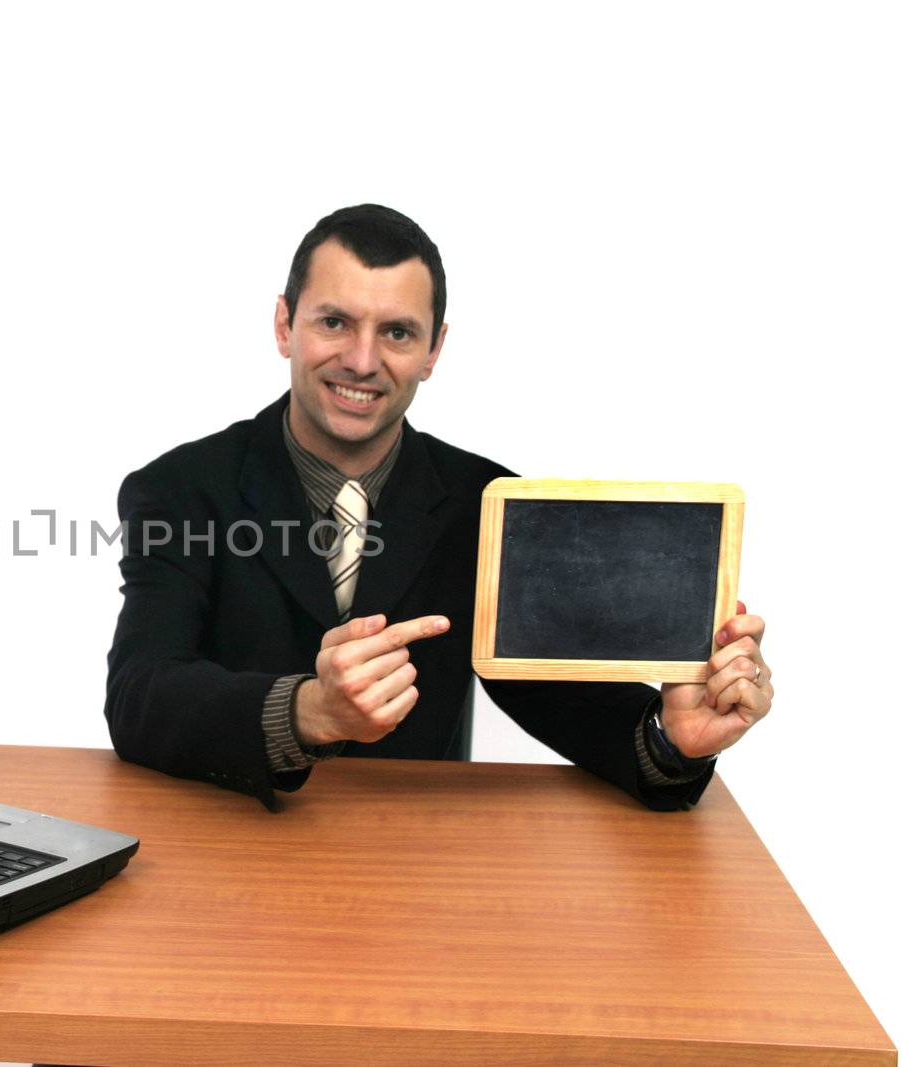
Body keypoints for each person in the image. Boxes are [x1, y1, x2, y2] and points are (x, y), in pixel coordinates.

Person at [103, 204, 773, 811]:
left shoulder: (487, 508)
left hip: (419, 870)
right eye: (334, 321)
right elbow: (140, 693)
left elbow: (570, 704)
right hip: (222, 849)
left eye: (396, 332)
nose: (362, 360)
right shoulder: (178, 490)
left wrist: (673, 737)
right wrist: (308, 711)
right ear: (284, 325)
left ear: (433, 351)